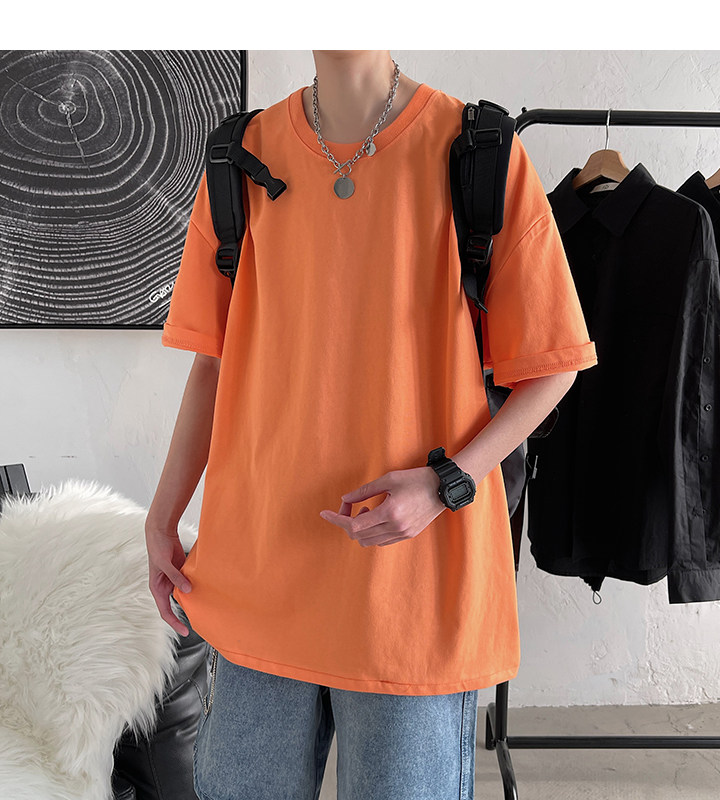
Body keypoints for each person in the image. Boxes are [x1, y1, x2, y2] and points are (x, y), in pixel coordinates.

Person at [146, 49, 597, 800]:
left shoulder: (478, 150)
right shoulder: (239, 156)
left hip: (412, 596)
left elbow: (553, 366)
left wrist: (447, 483)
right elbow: (212, 367)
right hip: (259, 580)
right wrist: (162, 518)